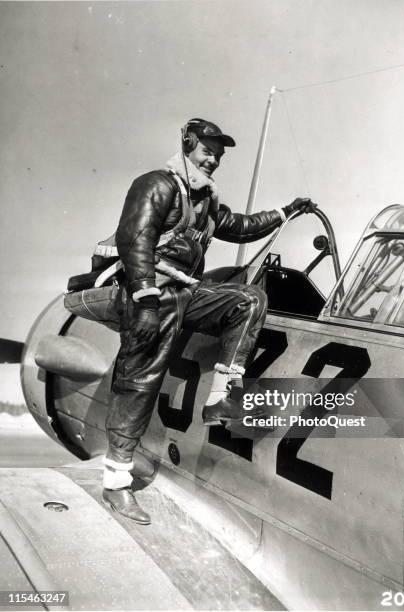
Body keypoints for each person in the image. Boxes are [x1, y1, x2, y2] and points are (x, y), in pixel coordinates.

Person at [100, 117, 316, 524]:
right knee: (140, 383)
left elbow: (240, 227)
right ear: (187, 143)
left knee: (249, 299)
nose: (213, 159)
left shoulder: (205, 200)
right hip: (153, 294)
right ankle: (116, 483)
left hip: (187, 292)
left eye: (218, 154)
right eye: (207, 150)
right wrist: (145, 302)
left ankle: (220, 397)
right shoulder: (157, 184)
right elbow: (135, 240)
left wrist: (285, 212)